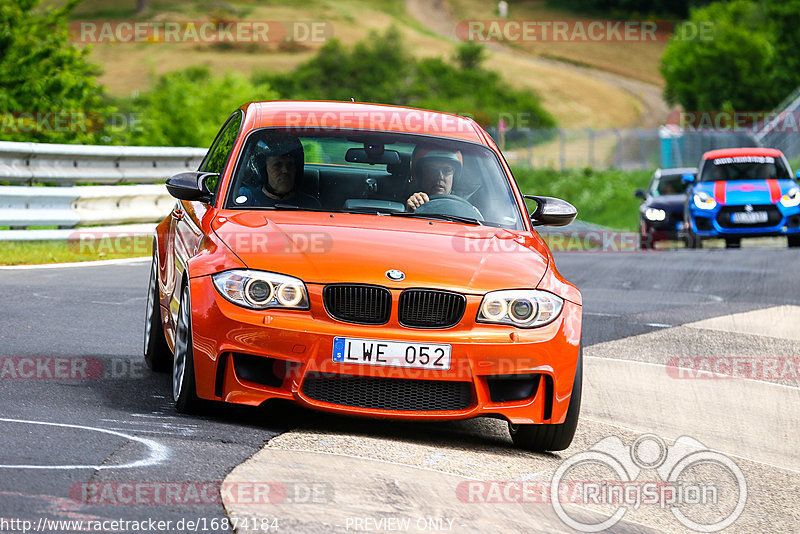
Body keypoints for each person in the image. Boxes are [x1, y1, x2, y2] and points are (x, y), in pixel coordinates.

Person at [235, 136, 321, 208]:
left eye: (290, 165)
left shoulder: (310, 205)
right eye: (277, 165)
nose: (285, 171)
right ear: (264, 170)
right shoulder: (246, 198)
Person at [405, 147, 463, 211]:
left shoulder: (465, 210)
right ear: (420, 176)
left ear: (454, 178)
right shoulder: (412, 202)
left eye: (447, 170)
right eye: (432, 170)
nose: (440, 177)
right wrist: (411, 210)